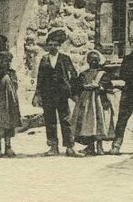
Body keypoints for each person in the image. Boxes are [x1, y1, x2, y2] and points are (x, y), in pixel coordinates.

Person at [33, 28, 81, 157]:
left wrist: (73, 90)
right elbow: (40, 78)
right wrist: (37, 94)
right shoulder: (44, 59)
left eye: (55, 45)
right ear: (47, 46)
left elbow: (74, 74)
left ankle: (70, 147)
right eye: (50, 45)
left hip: (62, 94)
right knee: (50, 120)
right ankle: (53, 147)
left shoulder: (65, 58)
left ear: (58, 45)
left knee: (66, 120)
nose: (52, 47)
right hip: (47, 94)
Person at [71, 50, 115, 155]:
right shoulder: (83, 74)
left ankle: (99, 147)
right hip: (86, 103)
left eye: (95, 59)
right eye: (91, 59)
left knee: (100, 123)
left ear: (99, 60)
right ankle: (90, 147)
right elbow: (76, 87)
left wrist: (100, 87)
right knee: (88, 124)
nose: (93, 61)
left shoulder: (103, 74)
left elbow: (109, 86)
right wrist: (83, 87)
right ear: (87, 60)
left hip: (99, 102)